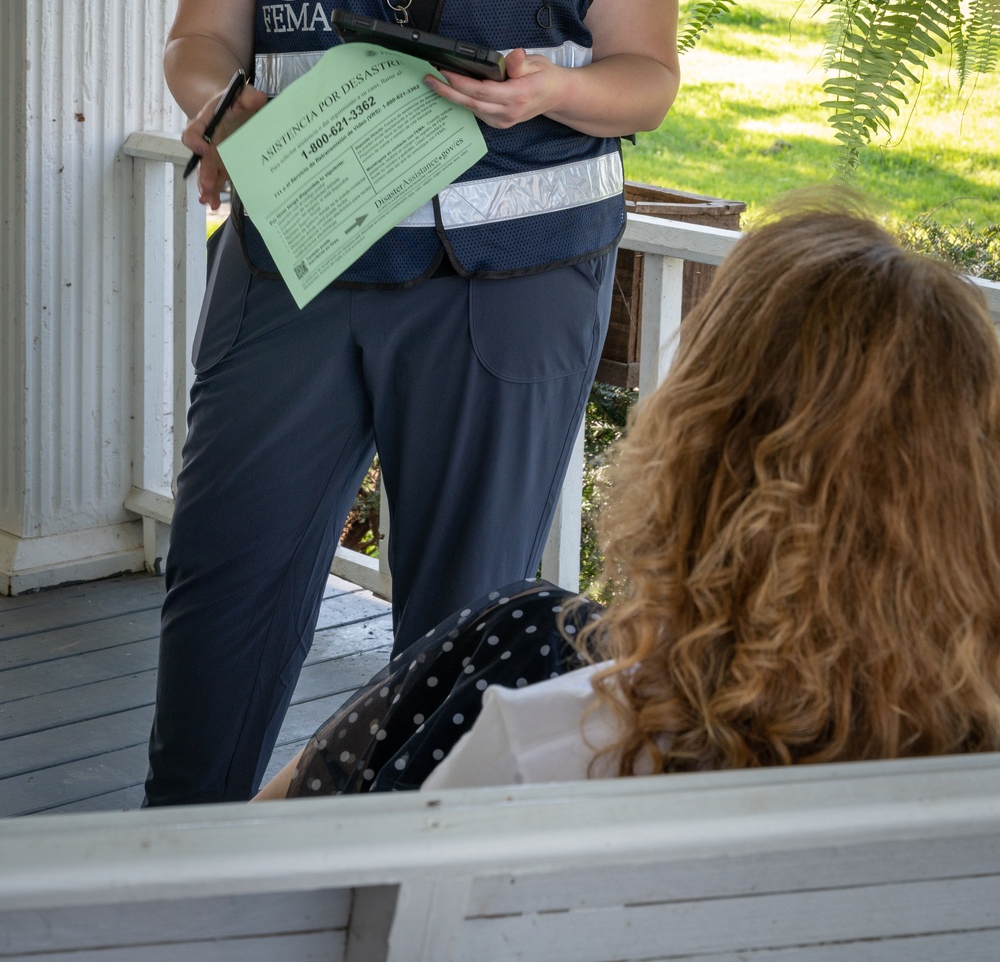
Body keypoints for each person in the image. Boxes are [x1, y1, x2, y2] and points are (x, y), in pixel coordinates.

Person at [144, 0, 681, 806]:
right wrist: (223, 105)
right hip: (300, 258)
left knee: (465, 628)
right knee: (226, 579)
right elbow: (198, 38)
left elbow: (646, 76)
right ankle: (179, 877)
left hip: (511, 286)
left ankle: (424, 902)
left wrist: (549, 90)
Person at [257, 206, 1000, 798]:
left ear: (697, 458)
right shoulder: (967, 791)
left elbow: (281, 875)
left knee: (526, 628)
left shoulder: (550, 737)